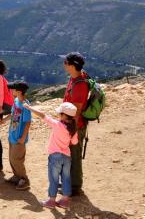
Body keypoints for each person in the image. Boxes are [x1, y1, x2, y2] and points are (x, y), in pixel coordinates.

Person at [23, 101, 79, 209]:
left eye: (60, 113)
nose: (58, 115)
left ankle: (52, 201)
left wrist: (29, 108)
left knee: (54, 179)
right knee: (66, 178)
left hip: (55, 156)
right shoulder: (73, 129)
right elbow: (75, 142)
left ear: (64, 115)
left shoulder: (57, 125)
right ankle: (64, 200)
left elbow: (43, 115)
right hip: (67, 157)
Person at [62, 52, 89, 196]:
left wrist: (70, 128)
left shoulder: (79, 84)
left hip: (75, 125)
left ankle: (75, 186)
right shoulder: (75, 78)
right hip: (71, 124)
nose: (64, 65)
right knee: (69, 154)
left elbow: (77, 110)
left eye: (66, 63)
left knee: (75, 155)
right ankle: (69, 181)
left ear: (72, 66)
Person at [4, 81, 32, 190]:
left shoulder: (25, 105)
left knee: (17, 159)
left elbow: (28, 122)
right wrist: (4, 120)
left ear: (19, 92)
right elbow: (12, 114)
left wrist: (23, 137)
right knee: (11, 158)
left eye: (13, 89)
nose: (11, 90)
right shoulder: (16, 101)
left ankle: (24, 179)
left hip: (19, 137)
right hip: (12, 135)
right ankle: (17, 176)